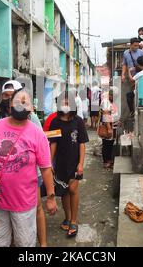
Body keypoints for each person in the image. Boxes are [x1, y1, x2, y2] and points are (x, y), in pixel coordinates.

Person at [0, 89, 57, 247]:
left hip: (24, 203)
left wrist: (51, 197)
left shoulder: (37, 134)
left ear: (31, 108)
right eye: (17, 101)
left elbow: (46, 168)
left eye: (25, 102)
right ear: (10, 106)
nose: (21, 105)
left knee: (24, 243)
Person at [49, 91, 89, 237]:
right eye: (63, 103)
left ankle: (74, 220)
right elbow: (53, 143)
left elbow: (82, 144)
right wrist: (49, 162)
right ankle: (67, 218)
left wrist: (81, 164)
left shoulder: (78, 121)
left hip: (74, 163)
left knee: (73, 189)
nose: (65, 105)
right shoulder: (54, 122)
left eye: (68, 103)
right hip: (60, 163)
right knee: (64, 192)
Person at [122, 38, 143, 115]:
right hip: (131, 77)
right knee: (132, 94)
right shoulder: (126, 53)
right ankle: (132, 112)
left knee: (138, 93)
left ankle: (137, 111)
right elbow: (124, 64)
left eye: (138, 46)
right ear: (131, 45)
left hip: (140, 76)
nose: (136, 47)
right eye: (135, 45)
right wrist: (123, 74)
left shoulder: (141, 52)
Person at [100, 89, 119, 169]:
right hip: (108, 126)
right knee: (106, 144)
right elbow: (106, 115)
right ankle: (106, 161)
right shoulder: (106, 102)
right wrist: (109, 128)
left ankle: (109, 160)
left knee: (110, 144)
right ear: (110, 95)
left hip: (113, 125)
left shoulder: (111, 102)